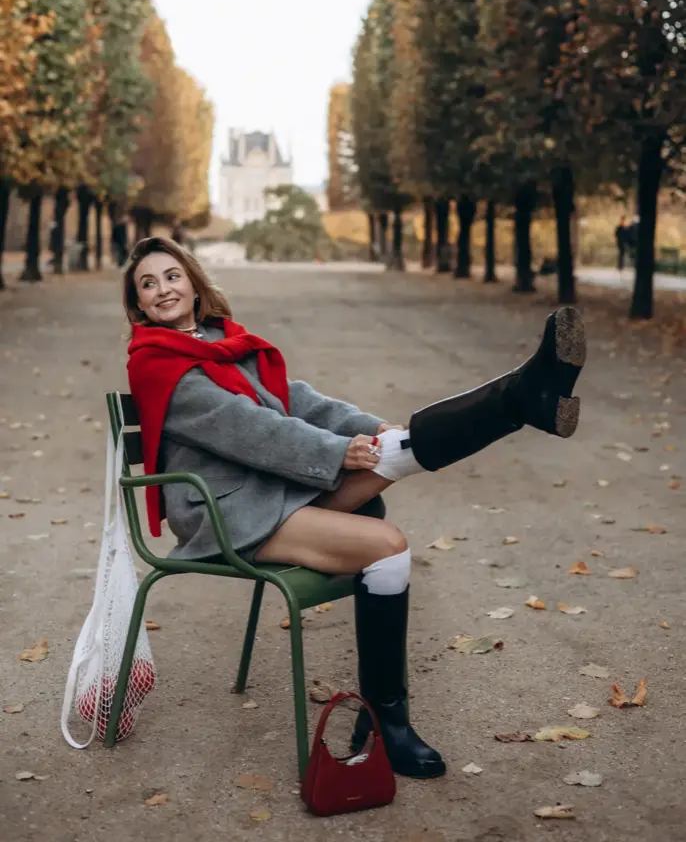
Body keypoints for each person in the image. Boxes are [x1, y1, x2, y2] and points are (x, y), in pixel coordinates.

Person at [123, 236, 587, 780]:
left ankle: (521, 401)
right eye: (148, 284)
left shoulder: (228, 342)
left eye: (171, 276)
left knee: (392, 453)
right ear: (138, 306)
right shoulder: (157, 365)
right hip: (231, 509)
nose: (163, 290)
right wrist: (334, 451)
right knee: (387, 547)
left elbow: (299, 400)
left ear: (195, 285)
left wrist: (369, 429)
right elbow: (250, 431)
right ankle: (387, 725)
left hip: (273, 486)